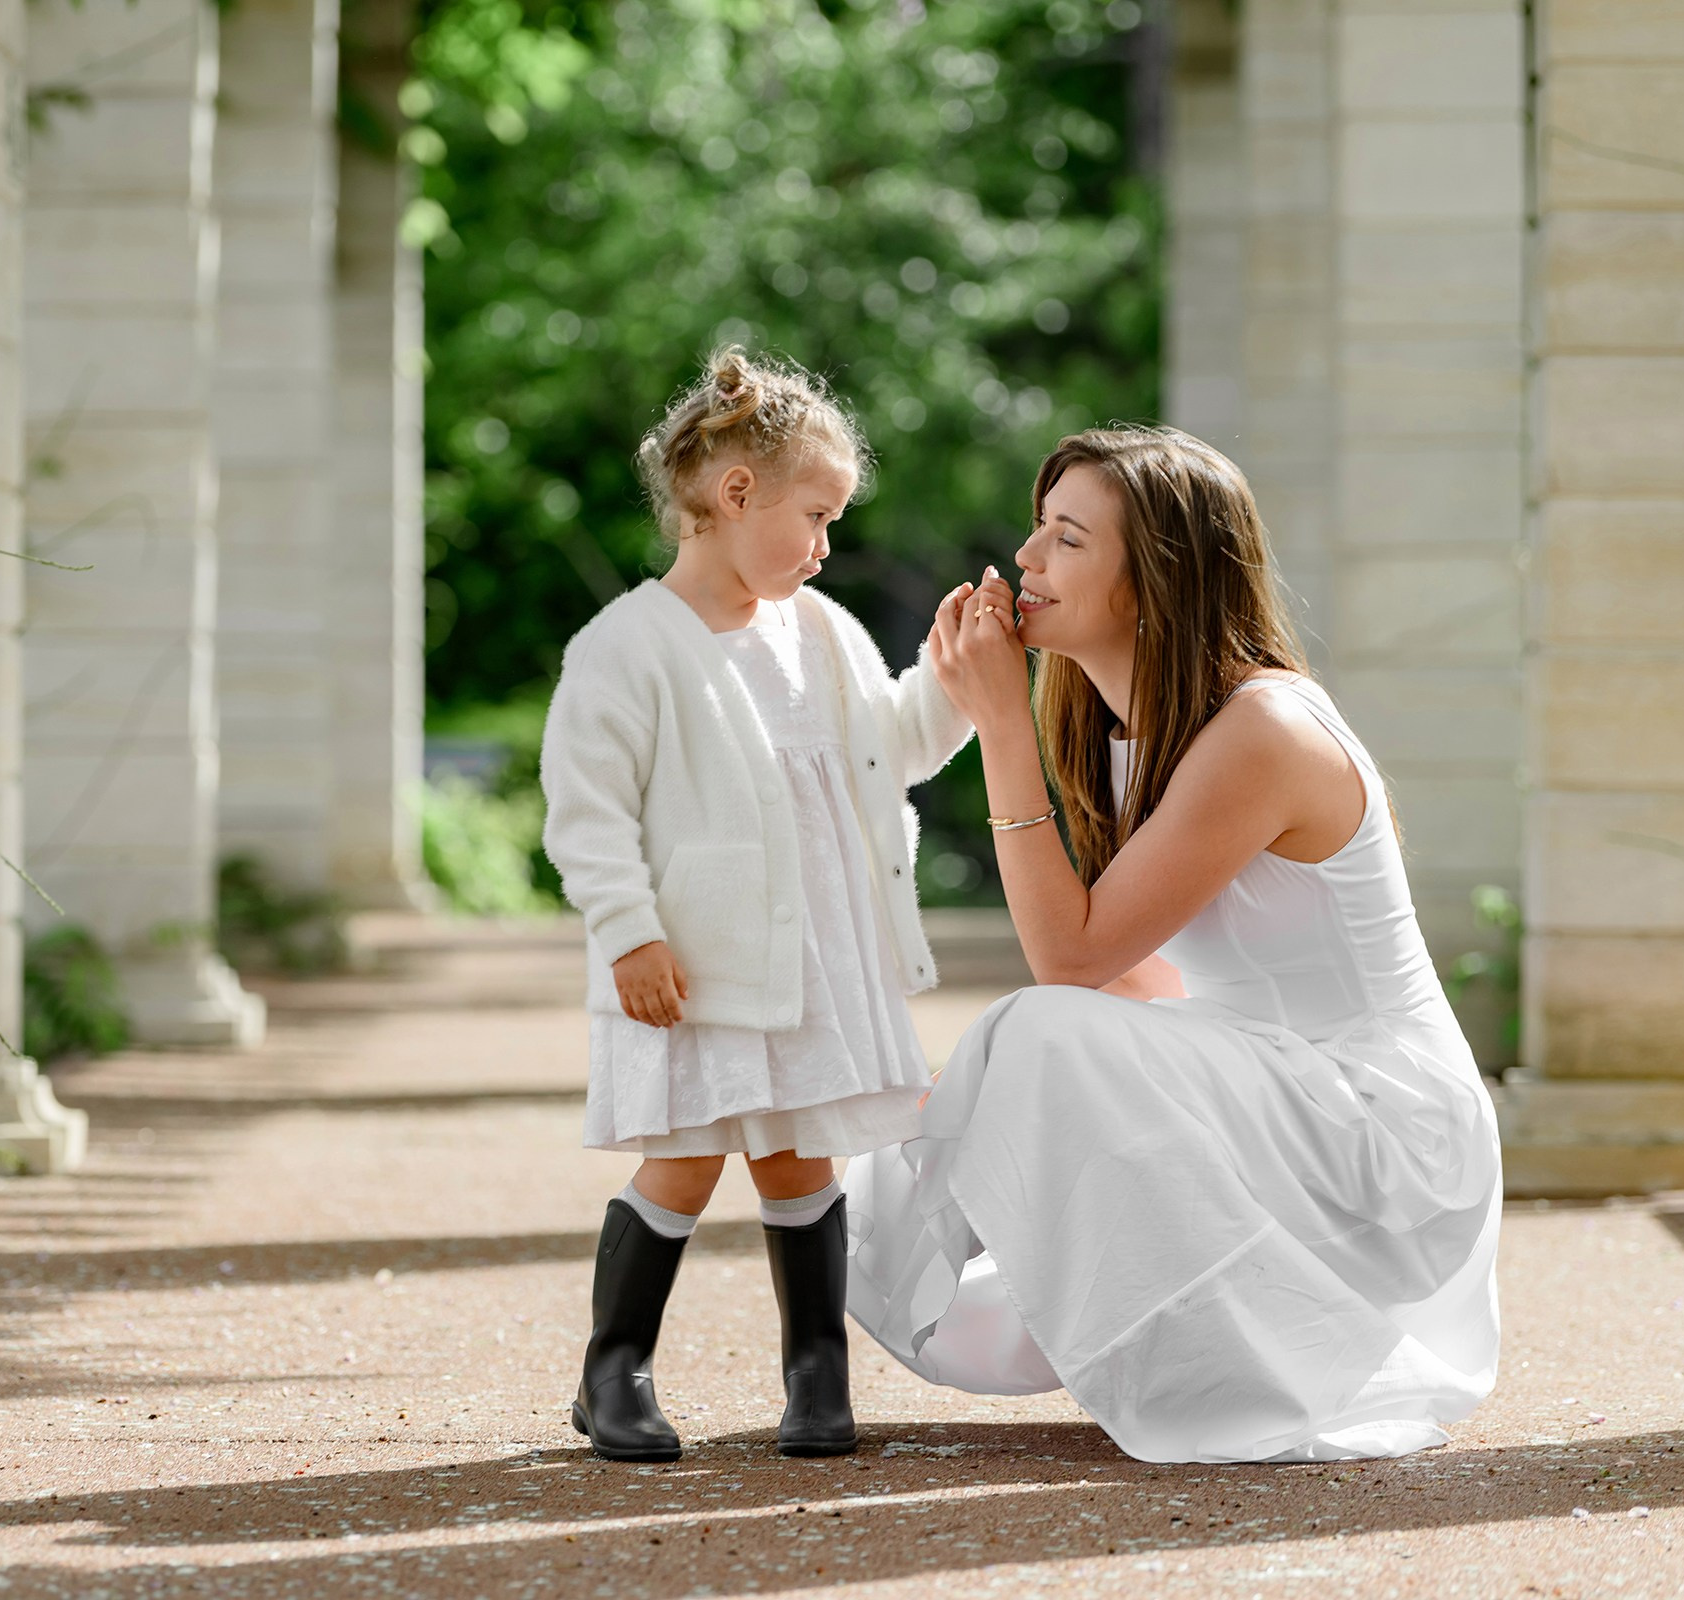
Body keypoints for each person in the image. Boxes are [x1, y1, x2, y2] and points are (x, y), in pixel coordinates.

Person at [845, 426, 1502, 1464]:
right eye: (1036, 531)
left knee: (1038, 1030)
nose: (1025, 561)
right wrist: (978, 1099)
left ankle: (1229, 1368)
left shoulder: (1264, 731)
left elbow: (1069, 963)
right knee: (1017, 1057)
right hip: (1283, 1089)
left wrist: (1002, 734)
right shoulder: (1123, 735)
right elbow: (1139, 978)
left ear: (1154, 579)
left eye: (1067, 539)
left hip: (1387, 1128)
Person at [541, 348, 971, 1461]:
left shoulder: (820, 633)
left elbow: (892, 748)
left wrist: (957, 684)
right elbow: (586, 813)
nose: (827, 544)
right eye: (816, 515)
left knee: (799, 1158)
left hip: (818, 957)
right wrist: (629, 931)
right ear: (736, 496)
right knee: (685, 1154)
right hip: (700, 960)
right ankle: (615, 1368)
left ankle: (816, 1373)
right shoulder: (626, 648)